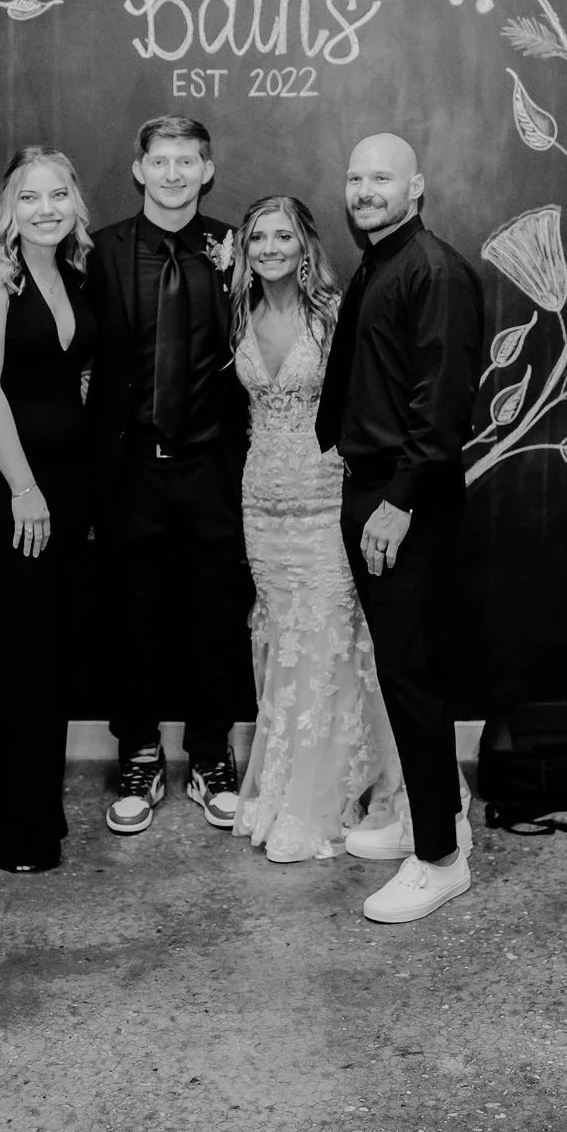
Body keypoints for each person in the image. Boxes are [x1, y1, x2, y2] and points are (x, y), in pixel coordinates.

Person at [316, 132, 484, 923]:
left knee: (410, 672)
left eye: (381, 176)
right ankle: (434, 818)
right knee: (400, 665)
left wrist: (400, 500)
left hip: (401, 495)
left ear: (417, 187)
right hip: (374, 486)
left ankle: (441, 861)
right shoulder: (381, 261)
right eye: (355, 177)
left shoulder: (435, 271)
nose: (364, 189)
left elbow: (441, 404)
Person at [85, 115, 254, 836]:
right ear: (139, 168)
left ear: (207, 171)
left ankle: (212, 756)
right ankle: (140, 753)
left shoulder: (236, 249)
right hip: (131, 467)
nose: (175, 172)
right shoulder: (99, 253)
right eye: (162, 159)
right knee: (132, 617)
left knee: (217, 615)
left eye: (189, 160)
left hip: (212, 465)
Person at [226, 195, 407, 863]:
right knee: (281, 636)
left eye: (282, 236)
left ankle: (328, 795)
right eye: (258, 237)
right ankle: (284, 783)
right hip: (261, 506)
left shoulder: (334, 315)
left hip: (326, 500)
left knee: (331, 639)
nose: (270, 248)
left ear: (305, 246)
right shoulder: (238, 311)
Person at [0, 147, 98, 873]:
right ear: (9, 206)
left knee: (52, 655)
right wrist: (24, 487)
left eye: (58, 194)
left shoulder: (68, 272)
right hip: (8, 488)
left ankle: (36, 806)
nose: (46, 208)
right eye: (30, 196)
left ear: (76, 202)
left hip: (60, 489)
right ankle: (9, 830)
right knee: (20, 655)